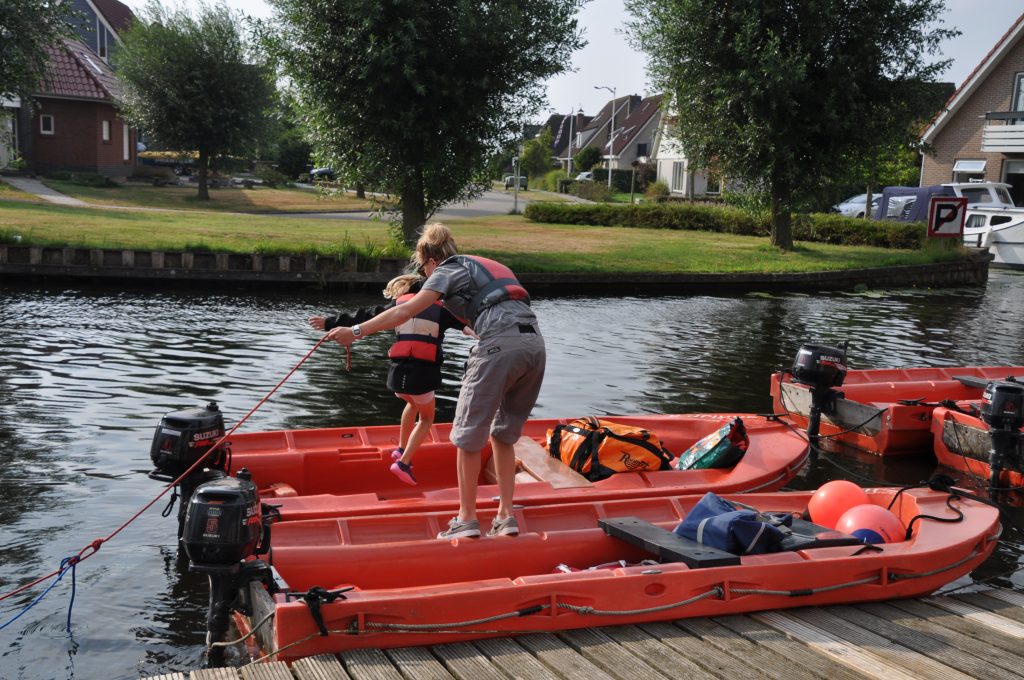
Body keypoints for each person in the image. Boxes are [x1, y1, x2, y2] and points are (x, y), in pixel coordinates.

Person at [325, 223, 546, 539]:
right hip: (535, 346)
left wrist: (355, 332)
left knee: (467, 437)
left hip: (498, 345)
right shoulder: (490, 266)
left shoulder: (447, 270)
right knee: (503, 435)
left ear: (429, 259)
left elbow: (406, 312)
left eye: (423, 268)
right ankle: (505, 517)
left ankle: (467, 519)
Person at [310, 273, 472, 485]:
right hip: (421, 376)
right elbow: (468, 328)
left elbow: (364, 316)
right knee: (426, 419)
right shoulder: (443, 309)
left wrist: (329, 322)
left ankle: (401, 448)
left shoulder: (397, 306)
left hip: (397, 377)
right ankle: (403, 463)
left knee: (411, 404)